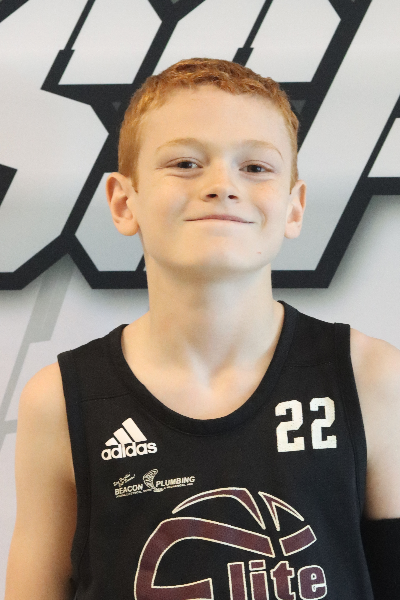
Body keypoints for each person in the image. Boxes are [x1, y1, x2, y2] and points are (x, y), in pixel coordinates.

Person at [5, 58, 400, 600]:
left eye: (255, 167)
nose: (222, 185)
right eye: (186, 163)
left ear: (294, 207)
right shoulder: (59, 400)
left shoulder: (372, 378)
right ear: (123, 201)